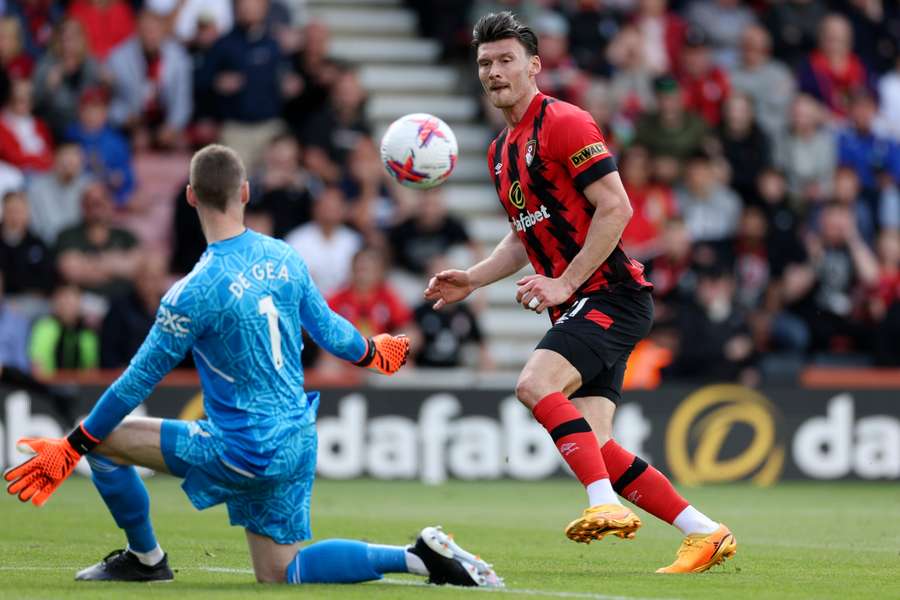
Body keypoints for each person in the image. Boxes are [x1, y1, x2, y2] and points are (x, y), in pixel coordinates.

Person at [4, 144, 501, 589]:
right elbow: (330, 331)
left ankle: (146, 557)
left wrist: (71, 448)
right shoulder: (285, 257)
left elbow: (135, 382)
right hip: (296, 439)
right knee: (281, 572)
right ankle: (416, 557)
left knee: (103, 443)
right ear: (244, 191)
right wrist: (376, 354)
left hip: (243, 447)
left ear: (191, 197)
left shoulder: (191, 292)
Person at [425, 11, 735, 574]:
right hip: (580, 301)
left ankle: (604, 506)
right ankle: (705, 532)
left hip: (611, 294)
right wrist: (472, 278)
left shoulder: (565, 122)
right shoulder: (500, 152)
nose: (494, 72)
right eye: (484, 64)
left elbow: (617, 206)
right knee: (597, 445)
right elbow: (526, 236)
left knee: (534, 384)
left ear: (535, 66)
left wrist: (566, 281)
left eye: (505, 61)